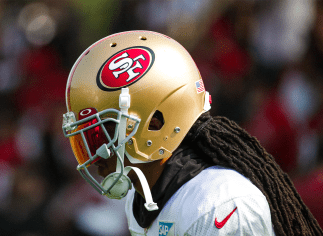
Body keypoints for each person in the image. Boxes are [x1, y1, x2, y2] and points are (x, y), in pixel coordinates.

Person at [61, 31, 323, 236]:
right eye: (85, 139)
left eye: (102, 135)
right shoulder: (141, 199)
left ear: (155, 123)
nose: (96, 154)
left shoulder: (218, 204)